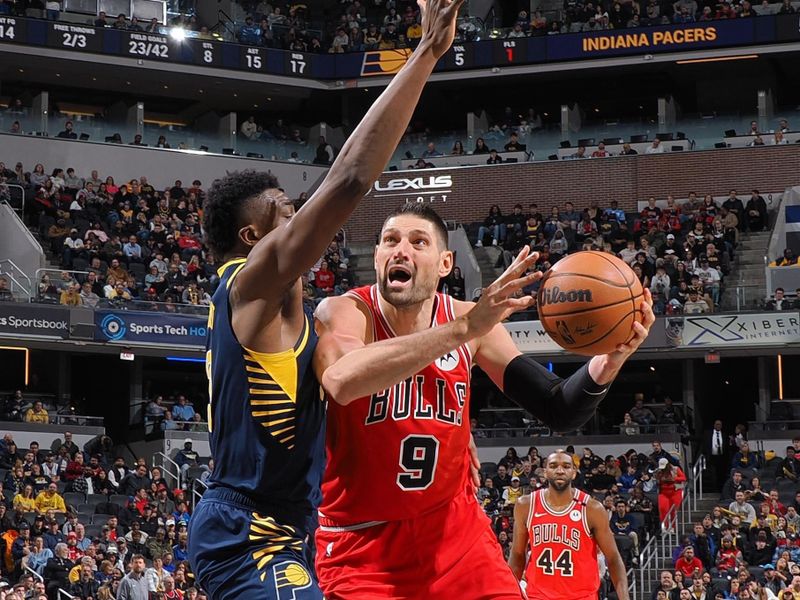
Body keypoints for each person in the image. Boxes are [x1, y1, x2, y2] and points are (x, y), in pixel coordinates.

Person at [187, 2, 465, 598]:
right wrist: (425, 54)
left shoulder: (280, 302)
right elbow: (348, 181)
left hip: (287, 528)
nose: (300, 217)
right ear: (254, 238)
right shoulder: (251, 283)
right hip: (249, 529)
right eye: (285, 212)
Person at [312, 204, 654, 598]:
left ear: (445, 264)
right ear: (376, 257)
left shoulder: (469, 322)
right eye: (390, 241)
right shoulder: (348, 311)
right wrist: (463, 329)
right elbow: (341, 380)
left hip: (456, 536)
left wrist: (611, 361)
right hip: (363, 543)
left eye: (418, 242)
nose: (401, 250)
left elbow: (557, 408)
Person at [508, 450, 629, 600]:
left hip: (581, 596)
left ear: (573, 473)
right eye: (553, 466)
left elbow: (613, 558)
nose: (559, 470)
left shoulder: (592, 509)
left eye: (566, 466)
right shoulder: (526, 505)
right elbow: (517, 554)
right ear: (545, 472)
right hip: (538, 596)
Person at [657, 458, 687, 533]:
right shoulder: (659, 471)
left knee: (673, 510)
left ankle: (673, 527)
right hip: (663, 492)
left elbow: (683, 478)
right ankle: (664, 526)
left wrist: (674, 479)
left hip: (675, 491)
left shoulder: (675, 469)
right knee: (663, 509)